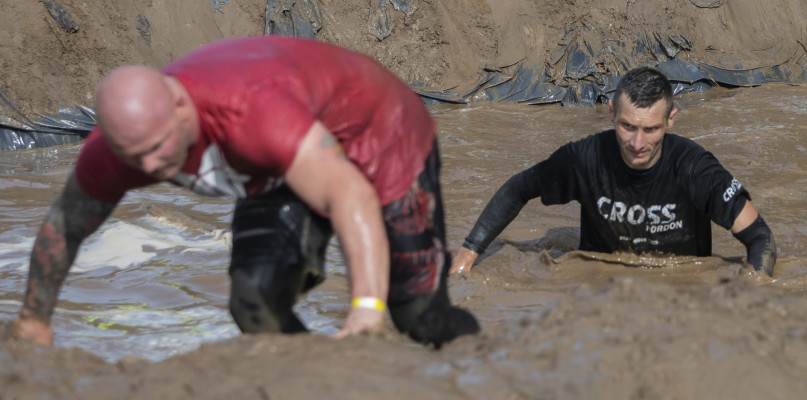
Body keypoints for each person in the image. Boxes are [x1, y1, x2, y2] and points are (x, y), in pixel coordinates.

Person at [13, 36, 479, 347]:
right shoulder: (121, 148)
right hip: (280, 161)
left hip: (382, 134)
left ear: (179, 106)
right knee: (255, 303)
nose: (150, 167)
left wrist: (365, 309)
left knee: (417, 317)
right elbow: (64, 226)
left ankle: (477, 354)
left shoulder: (252, 113)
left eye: (157, 149)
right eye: (135, 158)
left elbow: (349, 194)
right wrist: (35, 318)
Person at [450, 67, 777, 276]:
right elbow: (519, 189)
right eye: (627, 126)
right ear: (610, 113)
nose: (637, 143)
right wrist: (466, 255)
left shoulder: (695, 168)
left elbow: (760, 240)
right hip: (600, 287)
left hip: (680, 291)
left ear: (671, 120)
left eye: (650, 129)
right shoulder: (585, 159)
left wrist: (746, 299)